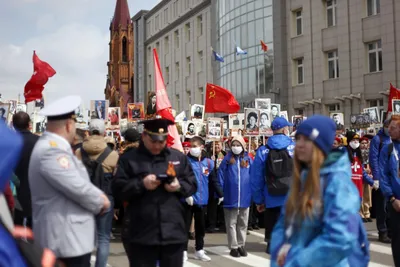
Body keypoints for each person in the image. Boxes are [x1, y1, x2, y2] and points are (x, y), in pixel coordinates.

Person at [270, 115, 367, 267]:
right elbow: (283, 225)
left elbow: (340, 238)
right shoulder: (302, 178)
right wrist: (277, 256)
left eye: (307, 139)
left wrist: (296, 261)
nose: (299, 145)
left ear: (320, 145)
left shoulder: (337, 183)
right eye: (298, 138)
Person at [28, 96, 110, 267]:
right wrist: (101, 201)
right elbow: (77, 187)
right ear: (68, 125)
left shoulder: (54, 147)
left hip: (68, 239)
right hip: (65, 241)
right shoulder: (52, 150)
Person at [112, 117, 197, 267]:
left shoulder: (177, 157)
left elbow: (192, 184)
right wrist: (141, 184)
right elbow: (118, 190)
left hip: (172, 232)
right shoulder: (129, 159)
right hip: (142, 234)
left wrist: (179, 186)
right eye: (153, 141)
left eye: (161, 141)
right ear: (144, 137)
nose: (157, 146)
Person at [75, 119, 119, 267]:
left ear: (88, 131)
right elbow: (117, 179)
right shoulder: (112, 154)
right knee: (103, 237)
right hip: (105, 197)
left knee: (84, 237)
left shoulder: (79, 152)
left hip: (83, 198)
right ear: (104, 132)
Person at [251, 116, 294, 254]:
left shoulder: (263, 150)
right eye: (287, 127)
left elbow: (256, 177)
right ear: (284, 129)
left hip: (270, 193)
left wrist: (258, 199)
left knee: (272, 218)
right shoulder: (294, 146)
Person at [184, 136, 223, 262]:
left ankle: (199, 250)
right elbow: (180, 180)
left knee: (200, 228)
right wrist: (186, 194)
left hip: (202, 200)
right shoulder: (185, 161)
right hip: (188, 200)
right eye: (191, 146)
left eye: (195, 146)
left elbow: (214, 180)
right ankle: (183, 251)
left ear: (201, 147)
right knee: (185, 227)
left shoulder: (208, 163)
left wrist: (221, 194)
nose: (192, 149)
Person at [218, 136, 252, 257]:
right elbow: (220, 175)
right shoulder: (227, 159)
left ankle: (241, 245)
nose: (236, 147)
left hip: (245, 196)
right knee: (231, 222)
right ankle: (233, 246)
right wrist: (221, 193)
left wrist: (252, 192)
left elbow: (253, 175)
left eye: (238, 145)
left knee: (243, 222)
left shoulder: (248, 159)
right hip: (230, 195)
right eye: (234, 145)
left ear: (243, 146)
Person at [12, 112, 40, 228]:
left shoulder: (10, 143)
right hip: (36, 190)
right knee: (33, 226)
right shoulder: (39, 142)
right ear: (29, 124)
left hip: (14, 190)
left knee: (15, 226)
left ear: (13, 125)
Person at [379, 118, 400, 265]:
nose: (389, 130)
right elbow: (383, 175)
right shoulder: (388, 149)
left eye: (393, 128)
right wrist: (392, 198)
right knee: (398, 242)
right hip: (396, 204)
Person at [369, 119, 392, 243]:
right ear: (384, 126)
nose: (390, 129)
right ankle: (382, 231)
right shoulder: (377, 139)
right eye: (389, 126)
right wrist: (376, 178)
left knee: (390, 206)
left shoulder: (394, 139)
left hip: (392, 177)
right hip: (382, 178)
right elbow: (373, 159)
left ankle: (390, 230)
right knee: (382, 207)